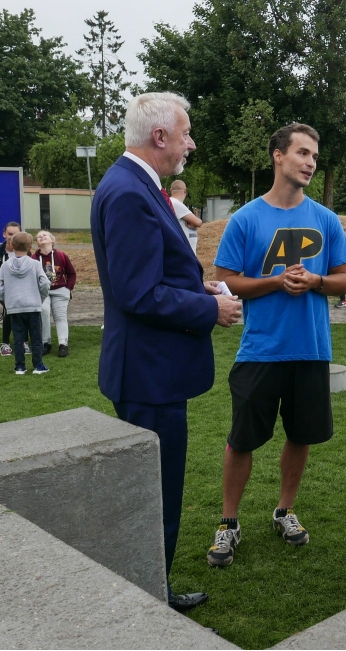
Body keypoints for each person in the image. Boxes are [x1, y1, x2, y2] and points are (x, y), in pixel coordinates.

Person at [92, 92, 242, 612]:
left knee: (152, 491)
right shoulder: (131, 191)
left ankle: (147, 589)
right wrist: (210, 312)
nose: (191, 143)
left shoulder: (133, 182)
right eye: (186, 133)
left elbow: (148, 278)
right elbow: (139, 294)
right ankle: (149, 600)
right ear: (160, 137)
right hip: (148, 375)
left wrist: (198, 291)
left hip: (147, 369)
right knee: (155, 496)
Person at [208, 123, 346, 568]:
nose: (310, 162)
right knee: (242, 440)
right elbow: (224, 280)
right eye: (303, 153)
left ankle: (285, 510)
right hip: (260, 350)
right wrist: (275, 281)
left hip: (311, 349)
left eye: (314, 156)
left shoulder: (326, 219)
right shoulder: (247, 218)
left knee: (301, 435)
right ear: (278, 156)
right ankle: (228, 523)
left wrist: (316, 281)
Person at [0, 232, 49, 375]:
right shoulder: (35, 264)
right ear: (30, 246)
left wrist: (6, 298)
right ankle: (38, 365)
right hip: (33, 306)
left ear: (12, 245)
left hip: (14, 307)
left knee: (18, 338)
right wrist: (40, 298)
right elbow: (45, 284)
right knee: (36, 338)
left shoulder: (5, 265)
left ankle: (20, 367)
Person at [31, 230, 77, 357]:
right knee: (44, 313)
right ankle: (46, 343)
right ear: (37, 243)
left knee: (60, 316)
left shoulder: (61, 255)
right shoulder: (34, 258)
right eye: (38, 237)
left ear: (52, 240)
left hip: (60, 290)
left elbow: (71, 273)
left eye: (44, 235)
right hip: (42, 291)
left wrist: (68, 288)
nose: (41, 237)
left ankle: (63, 344)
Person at [0, 222, 23, 356]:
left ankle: (24, 341)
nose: (12, 237)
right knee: (11, 310)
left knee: (25, 310)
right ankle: (5, 343)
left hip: (22, 289)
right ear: (4, 234)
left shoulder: (25, 251)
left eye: (15, 234)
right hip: (4, 288)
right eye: (10, 234)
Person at [170, 179, 202, 253]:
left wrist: (193, 226)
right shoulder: (176, 203)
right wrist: (195, 225)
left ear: (170, 190)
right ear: (185, 190)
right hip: (184, 251)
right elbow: (198, 222)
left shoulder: (171, 202)